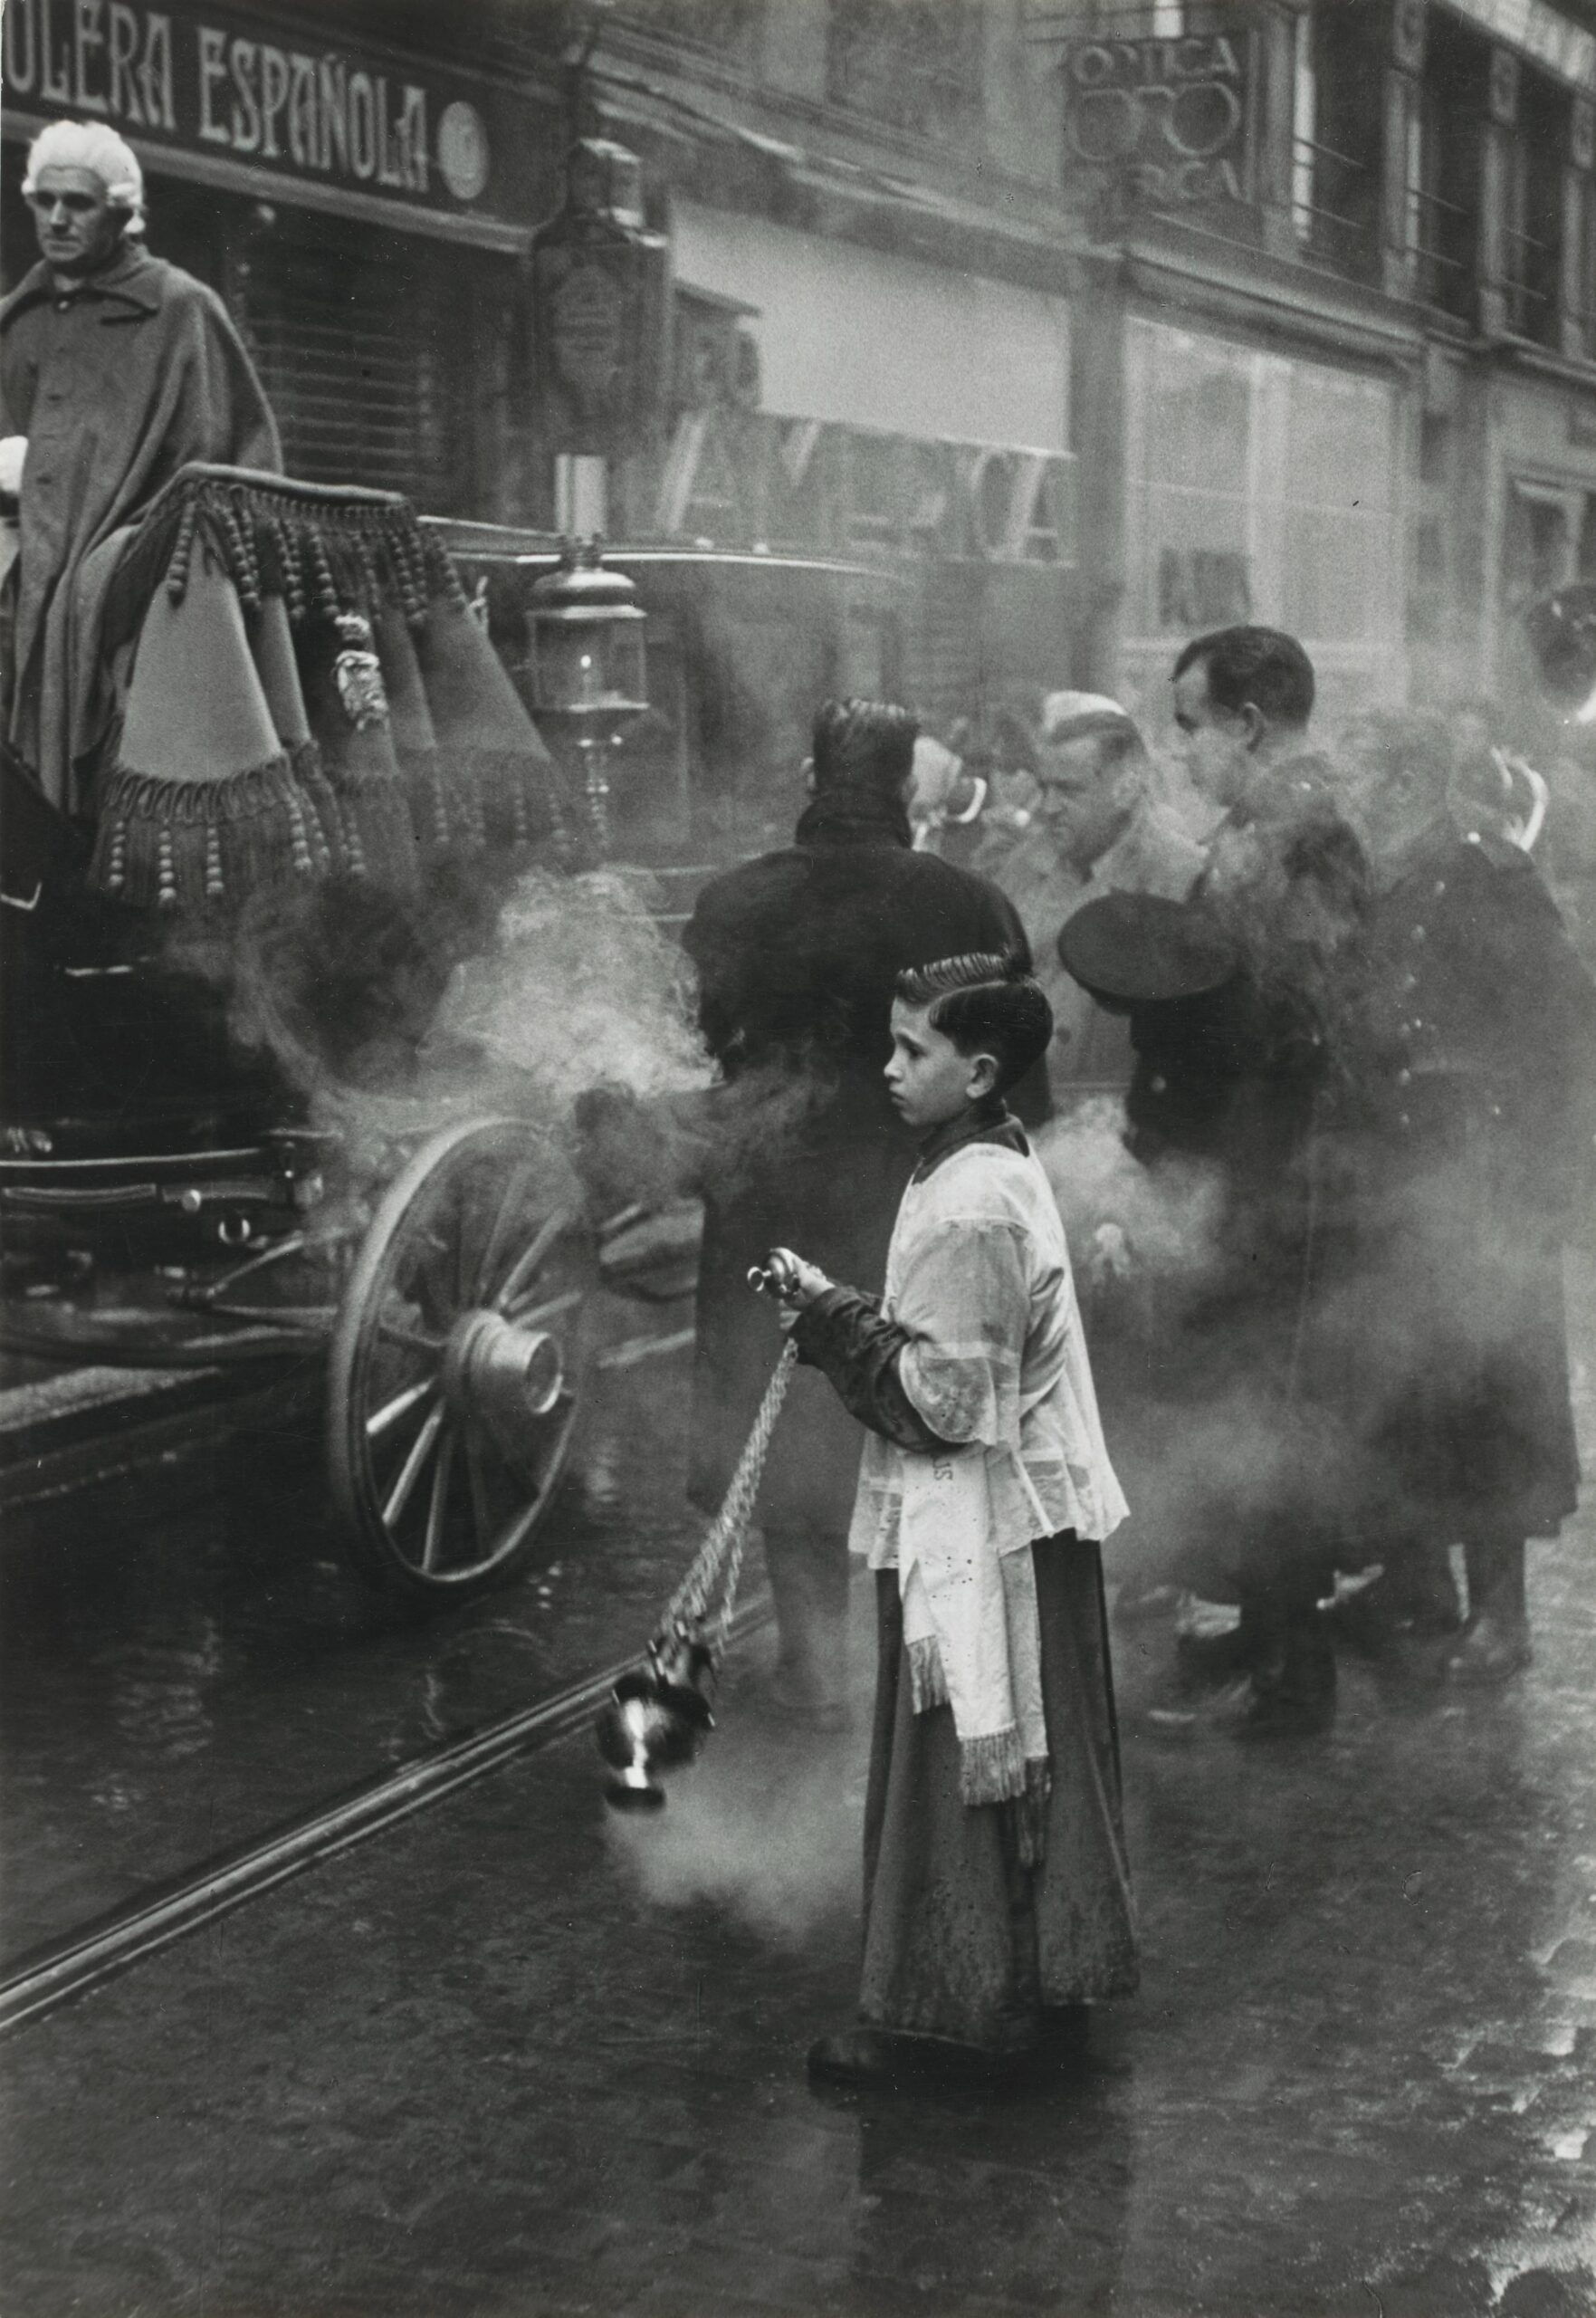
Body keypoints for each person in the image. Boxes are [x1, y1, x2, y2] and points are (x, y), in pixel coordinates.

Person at [769, 952, 1136, 2086]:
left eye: (909, 1049)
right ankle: (1032, 1987)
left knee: (967, 1756)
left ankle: (952, 2007)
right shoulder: (982, 1159)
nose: (887, 1068)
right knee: (1029, 1755)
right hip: (1016, 1518)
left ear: (978, 1070)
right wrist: (837, 1310)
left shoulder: (969, 1200)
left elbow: (942, 1404)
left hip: (986, 1532)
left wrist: (831, 1319)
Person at [683, 701, 1040, 1727]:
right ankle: (918, 1667)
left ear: (810, 773)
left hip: (765, 1209)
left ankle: (814, 1666)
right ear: (902, 786)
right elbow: (1010, 1066)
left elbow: (703, 1048)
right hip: (913, 1204)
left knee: (785, 1438)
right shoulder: (965, 904)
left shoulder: (730, 900)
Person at [1060, 627, 1370, 1738]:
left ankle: (1289, 1679)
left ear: (1244, 723)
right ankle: (1257, 1633)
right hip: (1251, 1167)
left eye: (1188, 725)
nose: (1178, 751)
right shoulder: (1269, 826)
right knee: (1243, 1407)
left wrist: (1182, 1076)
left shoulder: (1301, 836)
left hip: (1273, 1176)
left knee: (1268, 1414)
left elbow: (1290, 1025)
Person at [1333, 710, 1596, 1681]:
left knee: (1493, 1396)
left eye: (1360, 786)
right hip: (1397, 1179)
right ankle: (1414, 1580)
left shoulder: (1486, 875)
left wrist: (1544, 1185)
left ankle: (1500, 1617)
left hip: (1482, 1187)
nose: (1345, 806)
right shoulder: (1374, 885)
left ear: (1404, 788)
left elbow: (1566, 1030)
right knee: (1408, 1388)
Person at [0, 120, 281, 815]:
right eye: (45, 200)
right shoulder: (16, 320)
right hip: (17, 574)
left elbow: (238, 464)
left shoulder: (180, 310)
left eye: (81, 203)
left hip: (136, 584)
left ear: (123, 211)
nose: (59, 218)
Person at [977, 691, 1206, 1090]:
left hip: (1115, 1122)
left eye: (1069, 791)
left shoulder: (1181, 879)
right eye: (1046, 789)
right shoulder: (1026, 864)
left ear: (1127, 787)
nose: (1048, 807)